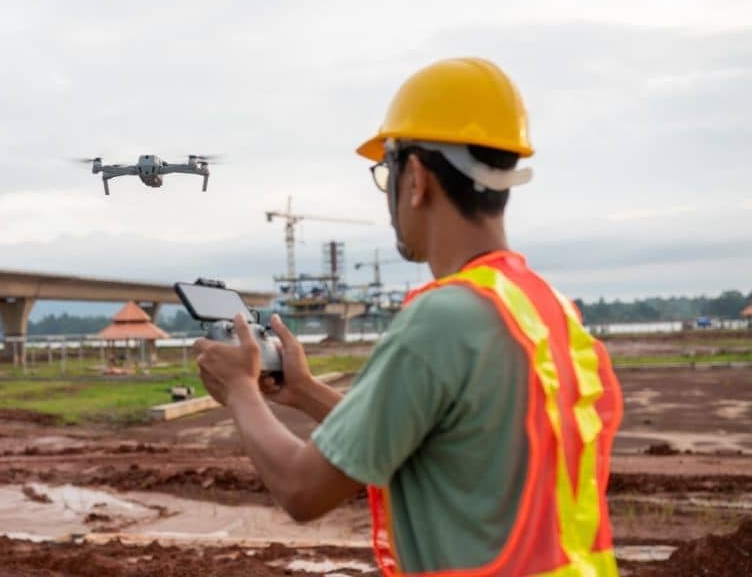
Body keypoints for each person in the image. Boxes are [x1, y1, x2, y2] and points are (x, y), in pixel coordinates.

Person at [193, 58, 622, 576]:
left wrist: (239, 388)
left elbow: (303, 489)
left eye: (386, 175)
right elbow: (431, 441)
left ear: (415, 178)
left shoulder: (443, 319)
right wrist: (303, 390)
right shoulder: (544, 309)